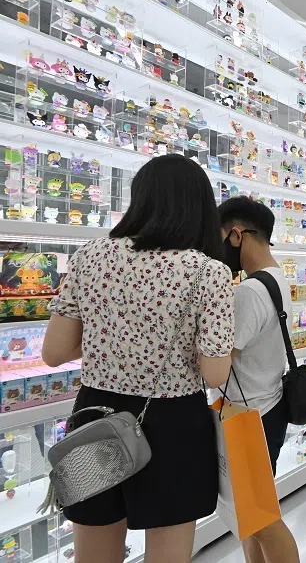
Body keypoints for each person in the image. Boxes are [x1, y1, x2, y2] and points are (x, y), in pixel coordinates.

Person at [42, 155, 234, 563]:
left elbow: (54, 352)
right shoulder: (208, 272)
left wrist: (112, 339)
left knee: (94, 553)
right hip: (173, 425)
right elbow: (215, 372)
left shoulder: (89, 256)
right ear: (200, 206)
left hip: (94, 417)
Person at [218, 197, 300, 563]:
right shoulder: (276, 278)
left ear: (237, 235)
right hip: (269, 404)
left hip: (249, 417)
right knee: (249, 517)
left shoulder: (248, 292)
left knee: (262, 520)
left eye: (220, 238)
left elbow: (221, 361)